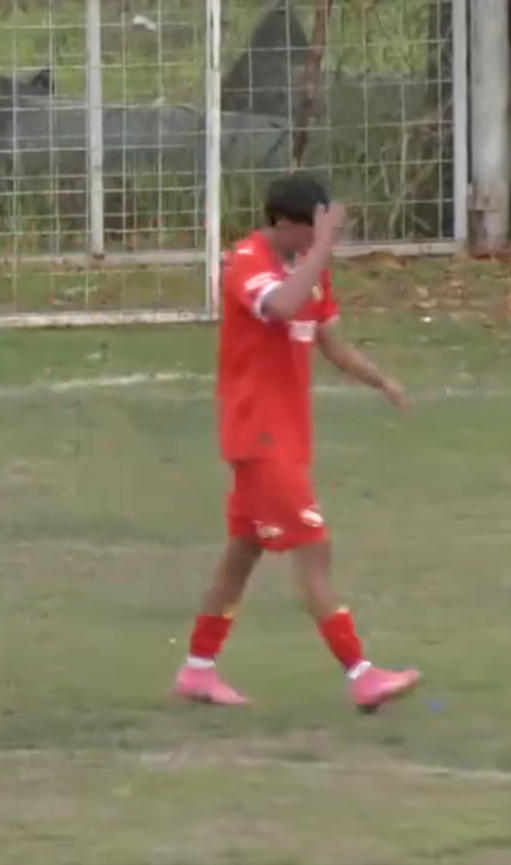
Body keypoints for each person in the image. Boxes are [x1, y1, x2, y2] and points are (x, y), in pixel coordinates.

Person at [173, 173, 420, 711]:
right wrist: (323, 248)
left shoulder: (310, 267)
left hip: (287, 434)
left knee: (243, 552)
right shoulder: (247, 261)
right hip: (257, 434)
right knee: (314, 548)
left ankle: (197, 669)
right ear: (284, 222)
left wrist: (381, 380)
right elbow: (281, 306)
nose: (320, 242)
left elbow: (332, 343)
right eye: (314, 229)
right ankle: (361, 673)